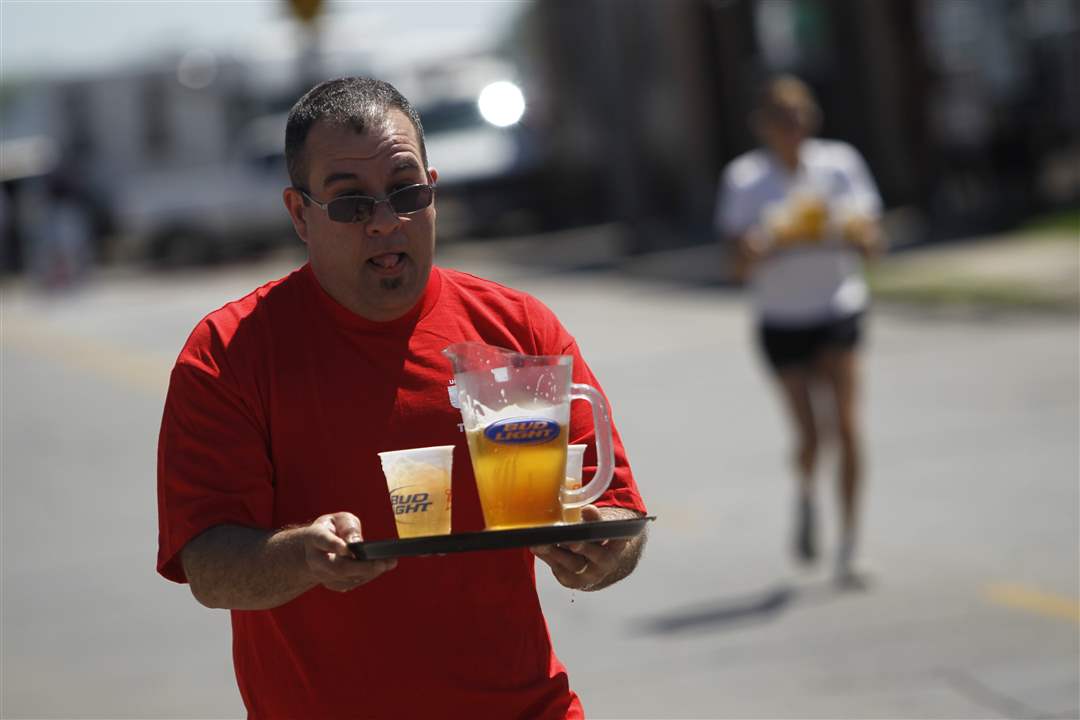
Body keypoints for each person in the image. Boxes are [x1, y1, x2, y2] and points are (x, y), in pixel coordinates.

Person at [156, 77, 647, 719]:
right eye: (351, 204)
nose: (387, 222)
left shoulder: (516, 328)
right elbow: (210, 567)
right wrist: (302, 554)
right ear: (300, 214)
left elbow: (615, 514)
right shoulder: (229, 353)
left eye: (407, 193)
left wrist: (599, 550)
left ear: (433, 189)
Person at [715, 75, 885, 586]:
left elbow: (874, 241)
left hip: (837, 307)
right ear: (764, 126)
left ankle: (851, 544)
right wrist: (760, 246)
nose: (794, 127)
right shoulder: (745, 179)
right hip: (782, 319)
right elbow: (735, 265)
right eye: (782, 118)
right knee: (811, 435)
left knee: (848, 426)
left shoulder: (840, 165)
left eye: (801, 116)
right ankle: (808, 494)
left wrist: (855, 232)